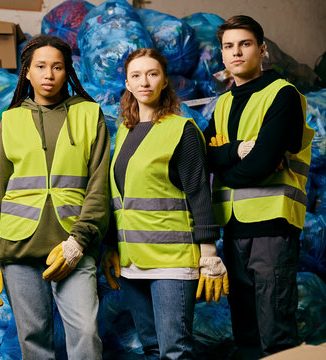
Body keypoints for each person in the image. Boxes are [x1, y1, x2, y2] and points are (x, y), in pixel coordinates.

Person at [0, 34, 110, 360]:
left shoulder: (89, 115)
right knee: (33, 339)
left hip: (72, 245)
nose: (48, 75)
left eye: (57, 67)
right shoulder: (10, 120)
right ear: (27, 72)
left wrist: (78, 242)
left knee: (85, 332)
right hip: (19, 246)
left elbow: (99, 187)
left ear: (68, 72)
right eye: (40, 67)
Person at [101, 48, 229, 360]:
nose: (144, 81)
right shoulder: (124, 130)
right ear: (128, 84)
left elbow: (198, 191)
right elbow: (120, 197)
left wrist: (209, 254)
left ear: (164, 82)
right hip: (132, 261)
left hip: (172, 260)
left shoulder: (181, 129)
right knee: (152, 348)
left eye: (152, 74)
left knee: (175, 350)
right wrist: (111, 247)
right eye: (136, 75)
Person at [203, 15, 315, 358]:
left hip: (272, 228)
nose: (236, 52)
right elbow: (203, 156)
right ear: (222, 56)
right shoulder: (221, 103)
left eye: (245, 44)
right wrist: (233, 154)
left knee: (275, 332)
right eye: (228, 46)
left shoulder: (283, 95)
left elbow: (263, 163)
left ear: (262, 50)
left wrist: (224, 166)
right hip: (233, 229)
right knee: (246, 333)